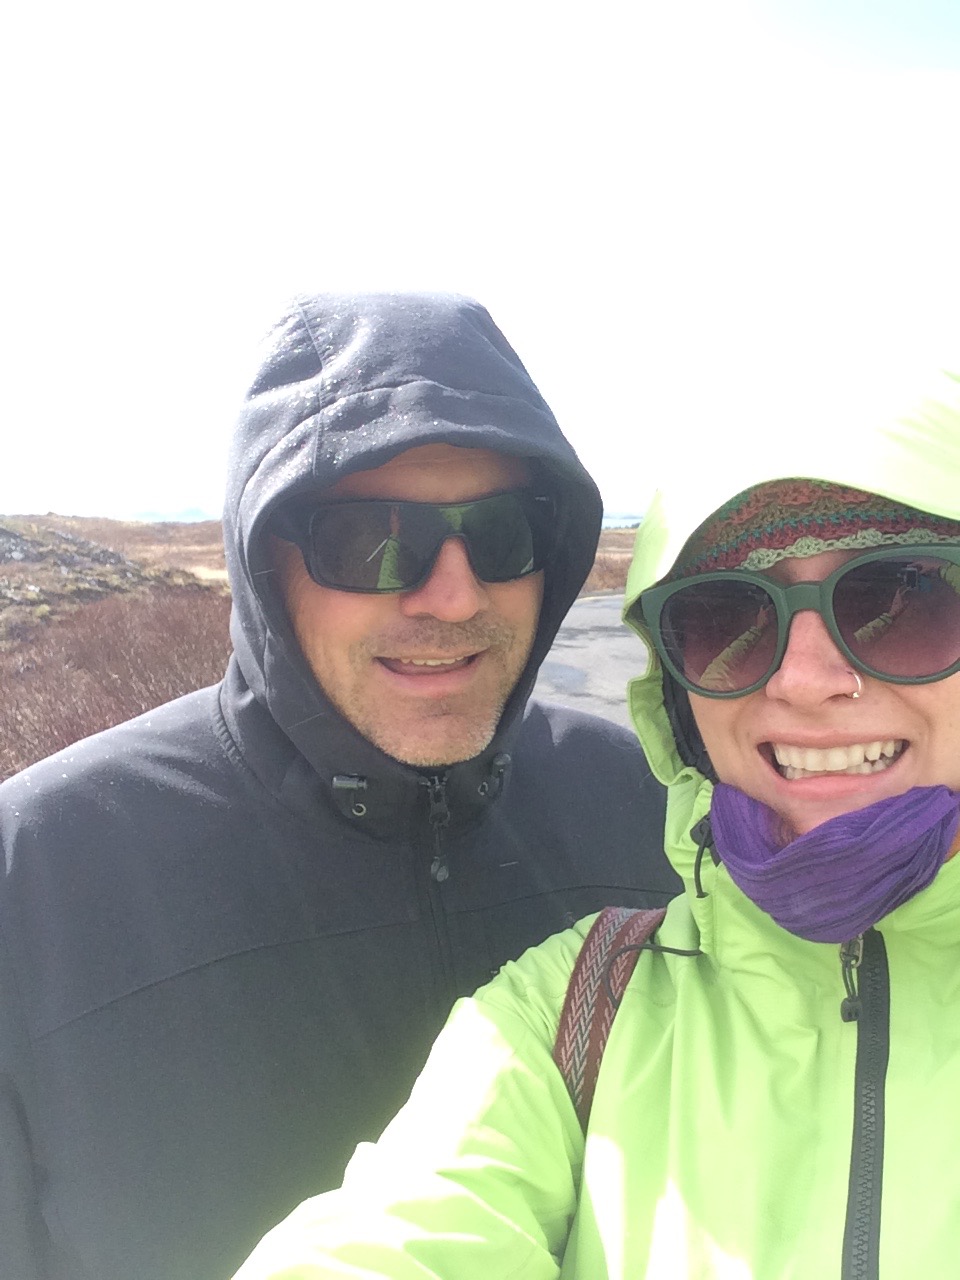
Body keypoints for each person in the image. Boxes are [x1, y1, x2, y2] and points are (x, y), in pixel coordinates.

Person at [232, 352, 960, 1278]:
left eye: (904, 599)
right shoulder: (573, 1013)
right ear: (678, 704)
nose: (804, 679)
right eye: (726, 618)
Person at [0, 292, 679, 1280]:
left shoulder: (648, 805)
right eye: (370, 538)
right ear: (263, 562)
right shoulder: (40, 878)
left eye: (505, 532)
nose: (454, 594)